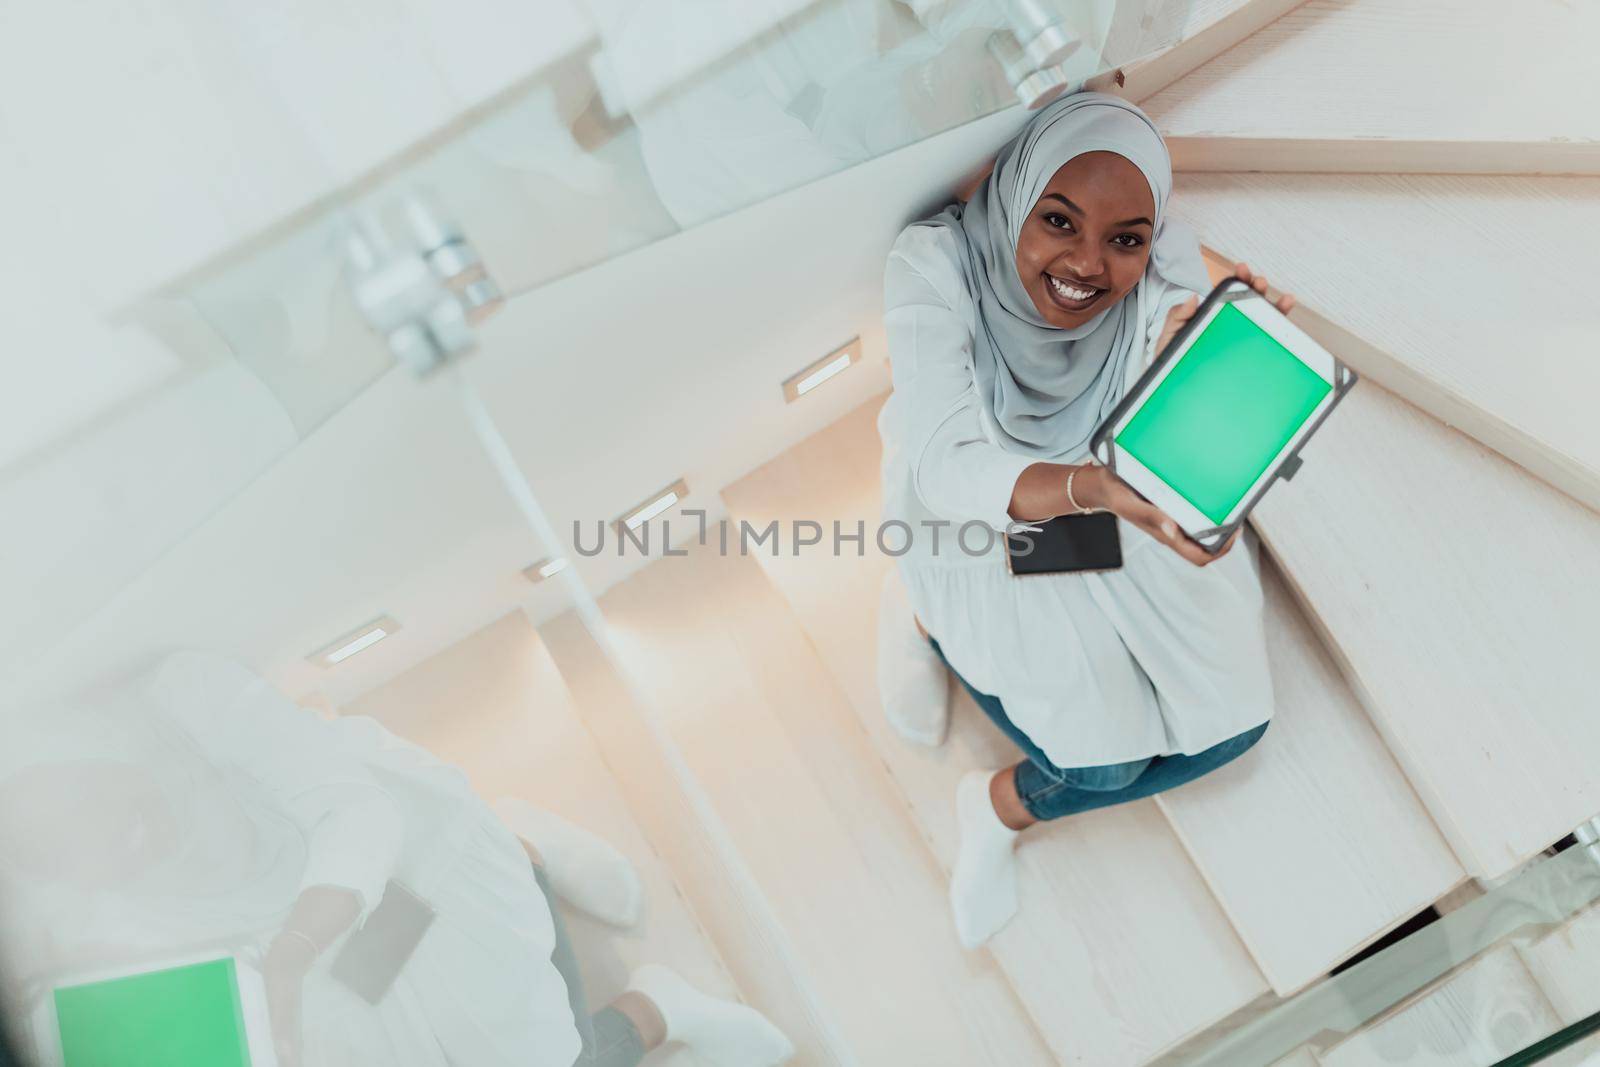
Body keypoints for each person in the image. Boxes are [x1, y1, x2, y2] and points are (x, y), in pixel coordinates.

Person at [875, 92, 1296, 948]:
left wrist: (1195, 341)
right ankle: (986, 778)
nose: (1087, 265)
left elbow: (1174, 302)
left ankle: (959, 675)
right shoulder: (932, 262)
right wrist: (1090, 489)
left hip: (1111, 494)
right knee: (1102, 760)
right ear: (1012, 190)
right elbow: (952, 465)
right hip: (980, 516)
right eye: (1058, 221)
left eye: (1124, 240)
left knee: (1234, 725)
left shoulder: (1157, 248)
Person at [0, 651, 792, 1067]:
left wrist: (285, 964)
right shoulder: (78, 896)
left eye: (82, 801)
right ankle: (528, 855)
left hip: (416, 859)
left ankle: (555, 886)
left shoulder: (185, 695)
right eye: (73, 854)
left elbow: (357, 813)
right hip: (331, 942)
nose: (108, 841)